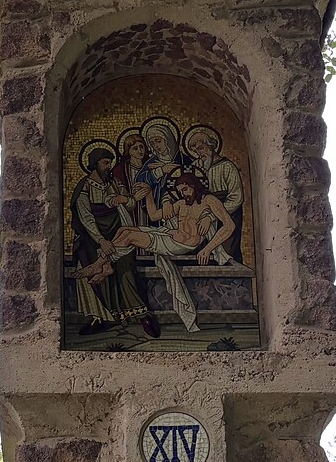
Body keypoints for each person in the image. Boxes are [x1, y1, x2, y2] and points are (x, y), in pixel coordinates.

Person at [86, 170, 232, 334]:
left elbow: (229, 225)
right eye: (180, 192)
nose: (183, 195)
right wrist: (148, 194)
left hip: (179, 245)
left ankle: (100, 265)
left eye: (185, 190)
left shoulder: (209, 200)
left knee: (129, 236)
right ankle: (105, 267)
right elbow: (155, 216)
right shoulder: (182, 204)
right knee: (123, 230)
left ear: (194, 186)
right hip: (168, 236)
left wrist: (208, 248)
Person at [68, 141, 159, 339]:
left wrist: (124, 199)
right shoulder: (84, 187)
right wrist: (101, 240)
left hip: (118, 232)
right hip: (93, 237)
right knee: (94, 270)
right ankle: (99, 317)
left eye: (110, 162)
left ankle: (141, 315)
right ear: (94, 164)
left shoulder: (115, 183)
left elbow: (131, 203)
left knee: (126, 272)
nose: (108, 166)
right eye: (105, 163)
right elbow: (86, 217)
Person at [183, 123, 244, 264]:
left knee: (228, 254)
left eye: (201, 148)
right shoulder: (197, 166)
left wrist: (212, 216)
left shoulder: (227, 167)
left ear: (210, 146)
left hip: (228, 214)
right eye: (196, 151)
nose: (199, 154)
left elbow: (236, 197)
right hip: (203, 213)